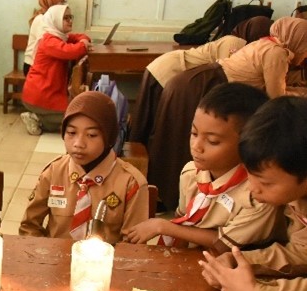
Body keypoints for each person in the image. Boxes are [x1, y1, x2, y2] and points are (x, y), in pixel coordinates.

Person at [147, 16, 307, 210]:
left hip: (198, 81)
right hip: (208, 85)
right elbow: (276, 97)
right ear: (299, 39)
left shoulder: (264, 44)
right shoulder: (277, 53)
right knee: (186, 145)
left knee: (179, 142)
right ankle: (173, 199)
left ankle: (169, 198)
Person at [123, 83, 280, 250]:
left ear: (248, 144)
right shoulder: (191, 173)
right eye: (194, 133)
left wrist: (163, 226)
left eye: (213, 141)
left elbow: (224, 244)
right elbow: (183, 223)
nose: (196, 146)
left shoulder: (259, 194)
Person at [200, 96, 307, 291]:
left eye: (266, 182)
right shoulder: (297, 195)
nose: (252, 188)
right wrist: (241, 262)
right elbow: (302, 252)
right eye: (249, 173)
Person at [19, 91, 148, 243]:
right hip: (54, 262)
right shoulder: (54, 172)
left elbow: (133, 248)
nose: (78, 143)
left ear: (109, 137)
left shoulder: (131, 183)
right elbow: (29, 227)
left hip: (106, 264)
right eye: (71, 132)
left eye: (91, 135)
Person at [130, 16, 273, 146]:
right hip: (170, 71)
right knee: (156, 123)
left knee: (157, 123)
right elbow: (227, 74)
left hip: (172, 70)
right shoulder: (236, 42)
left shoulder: (241, 43)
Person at [20, 5, 91, 136]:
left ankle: (37, 118)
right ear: (55, 20)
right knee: (74, 117)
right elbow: (70, 52)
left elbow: (81, 36)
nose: (70, 21)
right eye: (65, 18)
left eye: (71, 17)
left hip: (48, 92)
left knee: (72, 117)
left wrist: (83, 40)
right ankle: (35, 117)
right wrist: (83, 45)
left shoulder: (60, 36)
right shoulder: (49, 40)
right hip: (39, 94)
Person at [23, 0, 68, 76]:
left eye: (65, 2)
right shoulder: (41, 19)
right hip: (33, 65)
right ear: (51, 2)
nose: (64, 5)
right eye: (62, 2)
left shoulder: (51, 18)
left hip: (42, 64)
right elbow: (52, 43)